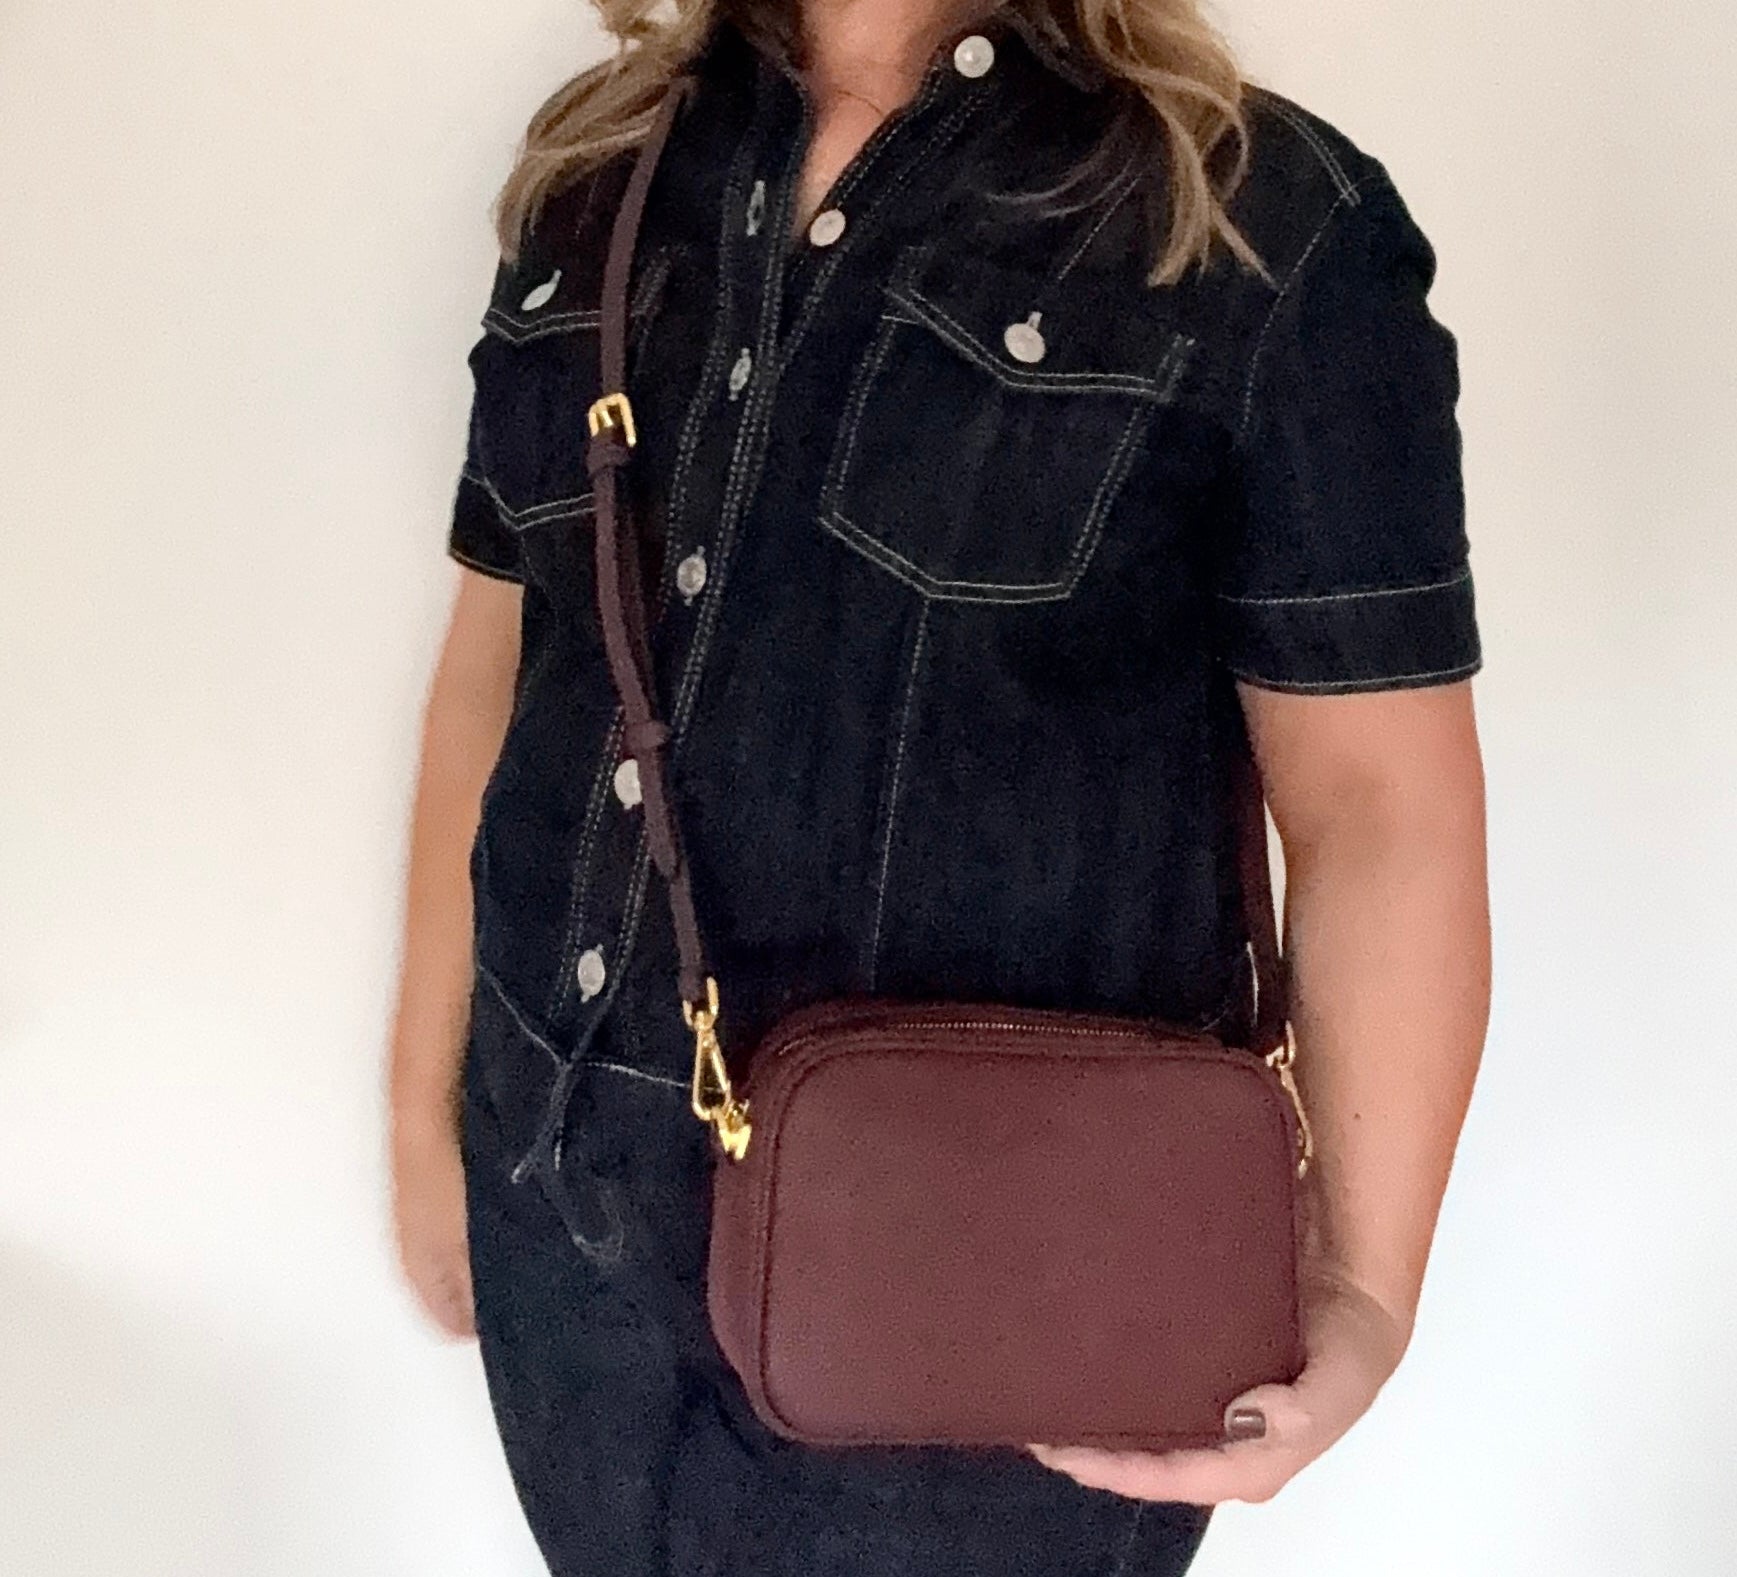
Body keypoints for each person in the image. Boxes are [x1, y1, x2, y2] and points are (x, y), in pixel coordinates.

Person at [386, 0, 1491, 1569]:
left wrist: (1364, 1288)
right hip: (569, 1245)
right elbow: (500, 674)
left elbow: (1377, 808)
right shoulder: (600, 173)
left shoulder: (1260, 227)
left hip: (997, 1302)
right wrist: (427, 1112)